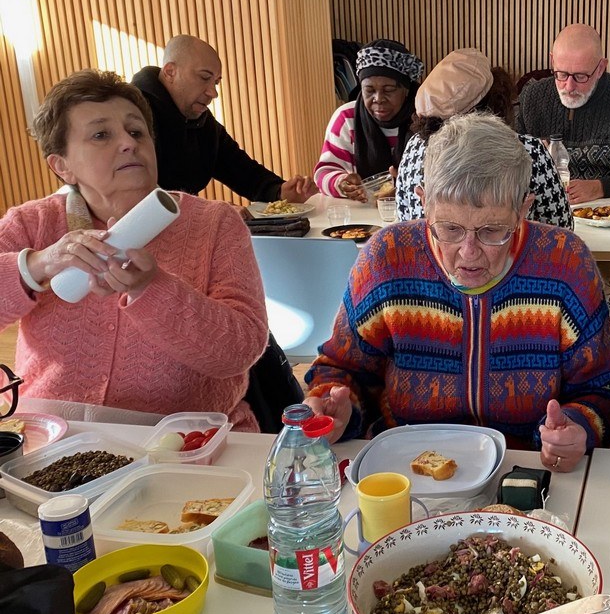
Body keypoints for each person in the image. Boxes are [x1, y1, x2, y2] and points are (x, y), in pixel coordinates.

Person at [303, 113, 610, 471]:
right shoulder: (387, 257)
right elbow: (341, 369)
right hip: (404, 468)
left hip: (527, 468)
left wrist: (578, 428)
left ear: (523, 209)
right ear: (423, 202)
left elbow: (604, 391)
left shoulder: (565, 261)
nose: (468, 253)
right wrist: (338, 407)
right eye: (450, 228)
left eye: (492, 230)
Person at [0, 70, 269, 429]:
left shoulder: (214, 223)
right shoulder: (32, 223)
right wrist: (37, 265)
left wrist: (152, 289)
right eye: (101, 135)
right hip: (52, 435)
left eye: (137, 131)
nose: (128, 143)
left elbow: (240, 349)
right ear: (62, 166)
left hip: (186, 440)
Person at [395, 48, 573, 228]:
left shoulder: (414, 147)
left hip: (427, 248)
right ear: (495, 101)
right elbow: (562, 229)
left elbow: (404, 223)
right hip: (511, 248)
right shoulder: (527, 151)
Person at [132, 35, 316, 204]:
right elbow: (138, 197)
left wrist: (279, 191)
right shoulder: (133, 119)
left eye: (216, 82)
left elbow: (241, 170)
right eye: (204, 77)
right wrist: (210, 213)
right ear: (170, 72)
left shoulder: (202, 122)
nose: (213, 93)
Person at [515, 24, 610, 203]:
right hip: (545, 207)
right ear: (552, 61)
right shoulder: (532, 96)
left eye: (581, 77)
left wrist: (602, 187)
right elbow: (508, 165)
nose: (569, 86)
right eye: (562, 74)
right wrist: (533, 157)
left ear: (600, 68)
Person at [314, 39, 425, 201]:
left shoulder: (426, 119)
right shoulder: (347, 118)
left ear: (406, 90)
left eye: (389, 90)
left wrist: (407, 187)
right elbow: (324, 172)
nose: (378, 99)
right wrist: (342, 183)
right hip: (361, 213)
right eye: (369, 90)